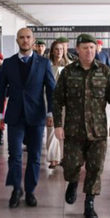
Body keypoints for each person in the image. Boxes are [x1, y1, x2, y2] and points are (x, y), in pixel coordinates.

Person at [53, 33, 110, 218]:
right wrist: (58, 124)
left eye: (92, 47)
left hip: (97, 130)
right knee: (71, 165)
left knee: (95, 168)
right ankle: (73, 182)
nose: (89, 51)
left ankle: (89, 203)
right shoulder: (68, 72)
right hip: (73, 129)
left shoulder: (105, 71)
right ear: (77, 49)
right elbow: (57, 100)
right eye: (85, 48)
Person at [0, 28, 56, 208]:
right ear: (17, 41)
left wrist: (51, 113)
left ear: (33, 40)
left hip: (36, 116)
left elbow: (51, 90)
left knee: (35, 155)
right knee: (14, 154)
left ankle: (30, 190)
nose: (25, 40)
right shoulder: (8, 63)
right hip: (15, 115)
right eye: (21, 37)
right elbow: (0, 90)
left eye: (28, 37)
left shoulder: (43, 63)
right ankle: (16, 189)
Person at [45, 40, 70, 169]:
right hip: (51, 101)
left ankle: (64, 157)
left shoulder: (70, 65)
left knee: (65, 128)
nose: (59, 51)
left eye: (61, 49)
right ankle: (53, 158)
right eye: (56, 49)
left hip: (67, 102)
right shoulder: (47, 65)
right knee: (51, 129)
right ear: (52, 51)